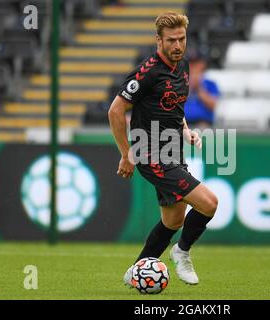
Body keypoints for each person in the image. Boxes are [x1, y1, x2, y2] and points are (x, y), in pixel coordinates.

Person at [108, 12, 218, 286]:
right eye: (171, 40)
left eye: (181, 39)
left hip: (173, 152)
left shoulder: (183, 67)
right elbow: (115, 111)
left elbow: (173, 107)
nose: (178, 45)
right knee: (209, 203)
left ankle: (137, 271)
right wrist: (126, 153)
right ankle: (181, 251)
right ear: (159, 40)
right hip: (150, 154)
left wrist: (185, 130)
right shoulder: (147, 73)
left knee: (173, 220)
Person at [184, 52, 220, 128]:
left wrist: (199, 88)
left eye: (196, 63)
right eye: (191, 63)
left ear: (202, 65)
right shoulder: (179, 83)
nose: (194, 66)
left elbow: (213, 106)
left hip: (202, 123)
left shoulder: (210, 84)